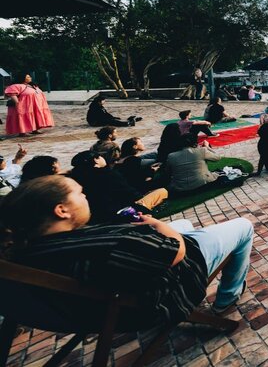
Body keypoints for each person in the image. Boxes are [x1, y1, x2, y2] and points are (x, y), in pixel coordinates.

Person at [0, 175, 254, 317]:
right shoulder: (105, 248)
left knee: (185, 221)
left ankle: (198, 236)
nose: (85, 196)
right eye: (79, 193)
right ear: (61, 210)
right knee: (243, 225)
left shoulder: (26, 252)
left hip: (116, 285)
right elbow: (177, 251)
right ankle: (227, 299)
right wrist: (157, 224)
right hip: (172, 281)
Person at [68, 151, 167, 223]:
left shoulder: (75, 177)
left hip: (95, 215)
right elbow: (131, 195)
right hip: (121, 212)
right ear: (96, 160)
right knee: (162, 191)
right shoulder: (108, 174)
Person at [166, 133, 241, 195]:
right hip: (202, 184)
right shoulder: (201, 151)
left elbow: (168, 172)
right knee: (218, 173)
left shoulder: (171, 156)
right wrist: (207, 147)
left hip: (180, 188)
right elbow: (217, 158)